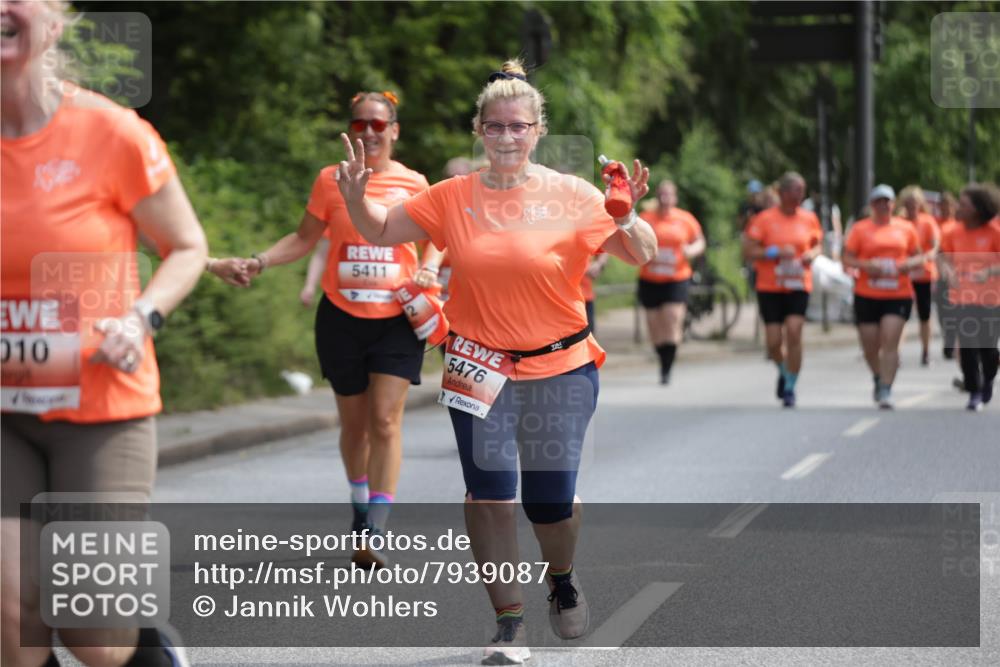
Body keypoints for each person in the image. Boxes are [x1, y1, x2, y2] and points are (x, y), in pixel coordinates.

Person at [334, 59, 655, 665]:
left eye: (519, 127)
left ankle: (560, 576)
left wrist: (628, 215)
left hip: (559, 364)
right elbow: (380, 230)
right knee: (488, 494)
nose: (507, 137)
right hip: (476, 363)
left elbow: (641, 255)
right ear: (478, 130)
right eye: (495, 127)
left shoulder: (573, 193)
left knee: (550, 501)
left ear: (537, 131)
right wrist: (355, 200)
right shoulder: (453, 197)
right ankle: (508, 622)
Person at [1, 2, 208, 666]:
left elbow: (185, 246)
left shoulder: (112, 132)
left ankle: (141, 644)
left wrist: (141, 316)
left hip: (102, 406)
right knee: (10, 612)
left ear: (56, 22)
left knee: (95, 632)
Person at [210, 90, 429, 568]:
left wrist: (429, 270)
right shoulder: (330, 180)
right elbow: (304, 238)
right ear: (350, 130)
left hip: (397, 319)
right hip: (341, 318)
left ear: (394, 130)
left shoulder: (414, 183)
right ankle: (358, 507)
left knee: (386, 421)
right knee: (354, 428)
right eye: (359, 124)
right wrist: (259, 260)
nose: (368, 132)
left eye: (378, 124)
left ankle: (376, 526)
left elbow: (437, 238)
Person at [742, 172, 823, 407]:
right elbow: (748, 252)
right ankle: (784, 369)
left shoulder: (809, 219)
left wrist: (811, 255)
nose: (800, 195)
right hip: (770, 285)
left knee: (795, 332)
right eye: (796, 190)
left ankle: (790, 386)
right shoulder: (764, 219)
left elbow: (818, 246)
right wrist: (773, 252)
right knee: (774, 341)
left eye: (802, 190)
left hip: (798, 283)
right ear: (783, 193)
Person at [842, 184, 925, 409]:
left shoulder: (905, 228)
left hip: (898, 293)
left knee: (890, 341)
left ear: (893, 204)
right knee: (870, 347)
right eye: (878, 201)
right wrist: (866, 265)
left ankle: (887, 389)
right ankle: (878, 376)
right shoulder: (860, 229)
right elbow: (847, 259)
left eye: (887, 201)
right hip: (867, 293)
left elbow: (919, 258)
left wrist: (908, 264)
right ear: (872, 205)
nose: (884, 205)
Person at [938, 183, 1000, 411]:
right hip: (961, 298)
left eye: (963, 204)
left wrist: (989, 272)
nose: (958, 208)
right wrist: (946, 269)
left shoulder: (994, 232)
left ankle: (989, 379)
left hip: (991, 299)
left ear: (977, 208)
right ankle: (974, 390)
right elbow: (943, 256)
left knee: (989, 350)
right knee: (967, 347)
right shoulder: (952, 232)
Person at [638, 180, 706, 384]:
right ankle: (663, 357)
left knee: (672, 317)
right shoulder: (646, 218)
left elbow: (700, 241)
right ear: (657, 196)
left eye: (669, 195)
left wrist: (691, 251)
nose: (665, 198)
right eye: (662, 194)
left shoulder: (685, 219)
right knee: (653, 325)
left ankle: (667, 367)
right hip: (650, 278)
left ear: (675, 198)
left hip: (677, 277)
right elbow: (632, 240)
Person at [898, 186, 941, 366]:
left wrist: (928, 255)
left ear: (920, 204)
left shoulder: (927, 221)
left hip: (923, 273)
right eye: (908, 203)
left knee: (925, 314)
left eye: (914, 203)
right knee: (901, 315)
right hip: (905, 274)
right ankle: (896, 351)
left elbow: (934, 245)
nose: (911, 207)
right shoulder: (899, 222)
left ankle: (925, 351)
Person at [935, 192, 960, 359]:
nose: (946, 208)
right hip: (941, 273)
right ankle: (948, 339)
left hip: (958, 273)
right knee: (943, 310)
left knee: (955, 310)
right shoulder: (935, 224)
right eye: (943, 205)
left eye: (948, 205)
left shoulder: (957, 225)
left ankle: (952, 342)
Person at [581, 253, 609, 334]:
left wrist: (599, 265)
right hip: (562, 298)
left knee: (588, 335)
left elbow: (604, 249)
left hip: (586, 295)